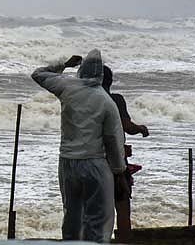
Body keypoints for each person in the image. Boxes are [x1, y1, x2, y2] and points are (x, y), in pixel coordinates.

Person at [31, 49, 126, 243]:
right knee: (99, 220)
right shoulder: (106, 102)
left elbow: (38, 74)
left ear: (81, 70)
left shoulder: (67, 86)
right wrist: (119, 172)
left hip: (67, 162)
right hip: (95, 164)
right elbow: (113, 140)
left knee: (72, 217)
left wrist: (64, 65)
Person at [102, 65, 149, 242]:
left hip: (90, 159)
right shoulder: (115, 100)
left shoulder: (84, 100)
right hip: (115, 160)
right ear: (110, 81)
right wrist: (141, 129)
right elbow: (127, 127)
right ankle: (124, 240)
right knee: (122, 205)